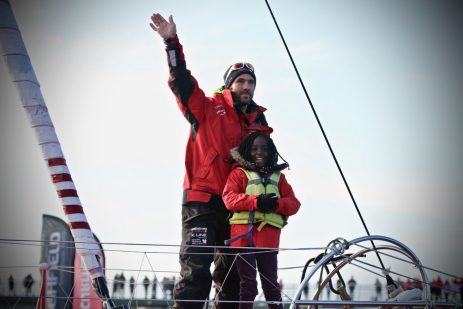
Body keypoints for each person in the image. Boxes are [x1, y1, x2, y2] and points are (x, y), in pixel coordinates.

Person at [149, 12, 272, 309]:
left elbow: (266, 164)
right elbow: (180, 81)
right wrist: (170, 41)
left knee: (231, 279)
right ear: (229, 84)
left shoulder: (259, 121)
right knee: (196, 275)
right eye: (240, 81)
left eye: (250, 82)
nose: (246, 87)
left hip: (237, 207)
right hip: (201, 201)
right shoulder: (206, 107)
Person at [222, 132, 301, 309]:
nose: (260, 152)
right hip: (242, 238)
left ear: (271, 151)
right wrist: (257, 201)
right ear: (247, 151)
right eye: (255, 148)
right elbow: (229, 198)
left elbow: (294, 204)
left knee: (271, 286)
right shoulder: (238, 174)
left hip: (268, 240)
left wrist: (275, 204)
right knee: (248, 285)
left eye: (265, 149)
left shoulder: (279, 178)